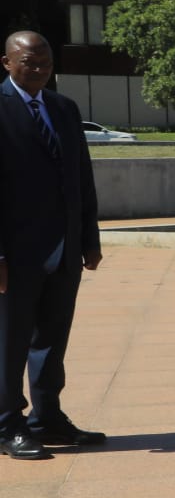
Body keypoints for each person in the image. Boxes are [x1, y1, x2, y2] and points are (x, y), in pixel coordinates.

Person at [0, 32, 107, 460]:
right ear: (7, 63)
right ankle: (7, 424)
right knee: (9, 342)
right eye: (30, 61)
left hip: (64, 250)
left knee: (51, 338)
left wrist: (89, 238)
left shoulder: (64, 109)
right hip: (14, 254)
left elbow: (81, 178)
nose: (40, 69)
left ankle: (48, 417)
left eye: (46, 62)